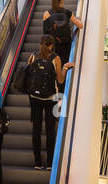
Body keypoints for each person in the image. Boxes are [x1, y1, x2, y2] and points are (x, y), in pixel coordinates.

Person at [24, 36, 72, 170]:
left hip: (34, 97)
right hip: (51, 97)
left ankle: (38, 162)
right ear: (51, 45)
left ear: (40, 44)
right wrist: (65, 68)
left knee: (36, 129)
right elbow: (60, 80)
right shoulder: (55, 58)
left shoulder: (33, 56)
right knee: (50, 130)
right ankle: (50, 163)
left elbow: (28, 75)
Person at [42, 0, 83, 68]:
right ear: (61, 2)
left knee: (54, 65)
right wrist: (78, 19)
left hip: (54, 45)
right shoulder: (67, 12)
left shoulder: (47, 14)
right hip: (66, 44)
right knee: (65, 64)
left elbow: (45, 33)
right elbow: (80, 26)